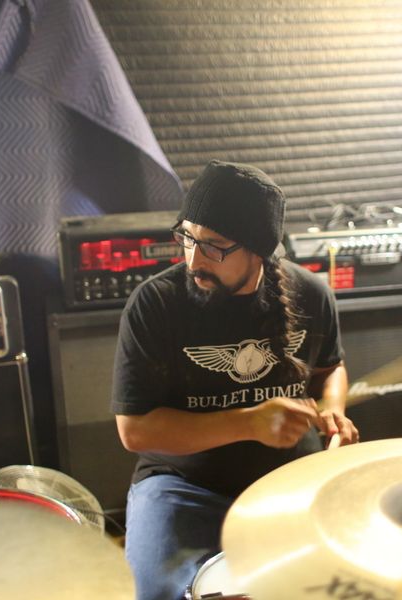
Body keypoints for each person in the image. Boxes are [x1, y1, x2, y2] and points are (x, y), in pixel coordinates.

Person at [111, 159, 358, 600]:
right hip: (182, 485)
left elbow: (330, 369)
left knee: (338, 579)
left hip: (288, 480)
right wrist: (248, 422)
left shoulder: (311, 294)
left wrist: (333, 411)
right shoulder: (154, 304)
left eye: (215, 246)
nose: (194, 259)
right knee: (157, 592)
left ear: (258, 249)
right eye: (188, 237)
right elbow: (135, 431)